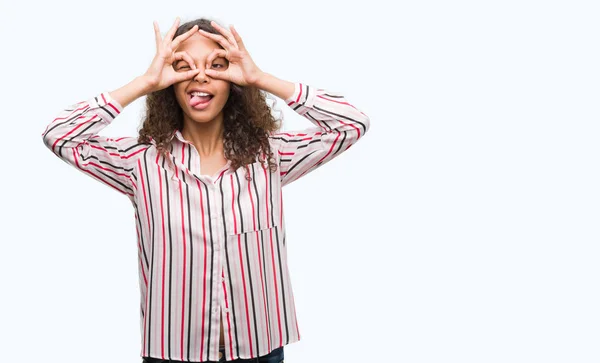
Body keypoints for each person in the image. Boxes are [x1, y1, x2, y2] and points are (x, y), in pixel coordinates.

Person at [41, 16, 370, 363]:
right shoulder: (141, 163)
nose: (200, 76)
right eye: (183, 66)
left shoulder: (271, 156)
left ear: (233, 80)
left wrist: (260, 78)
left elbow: (352, 123)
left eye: (217, 65)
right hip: (175, 351)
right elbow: (59, 135)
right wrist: (144, 82)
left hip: (261, 349)